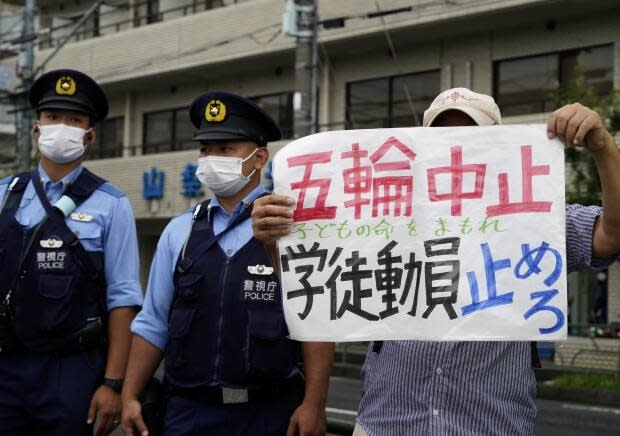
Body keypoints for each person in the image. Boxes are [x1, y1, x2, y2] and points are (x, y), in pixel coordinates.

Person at [251, 87, 620, 435]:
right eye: (441, 140)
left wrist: (603, 146)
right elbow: (316, 287)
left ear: (499, 149)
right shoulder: (378, 219)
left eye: (472, 139)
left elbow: (611, 235)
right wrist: (275, 243)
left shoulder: (533, 218)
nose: (456, 150)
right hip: (385, 425)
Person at [121, 91, 334, 436]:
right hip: (187, 412)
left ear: (259, 157)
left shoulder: (291, 227)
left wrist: (314, 404)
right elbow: (153, 322)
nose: (211, 159)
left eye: (226, 149)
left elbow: (318, 321)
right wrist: (129, 394)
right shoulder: (181, 231)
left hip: (268, 412)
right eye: (206, 150)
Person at [0, 69, 143, 436]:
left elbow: (123, 299)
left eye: (74, 120)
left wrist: (113, 384)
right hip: (7, 362)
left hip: (73, 370)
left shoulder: (111, 204)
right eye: (52, 117)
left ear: (89, 135)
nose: (61, 127)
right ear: (36, 127)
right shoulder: (5, 194)